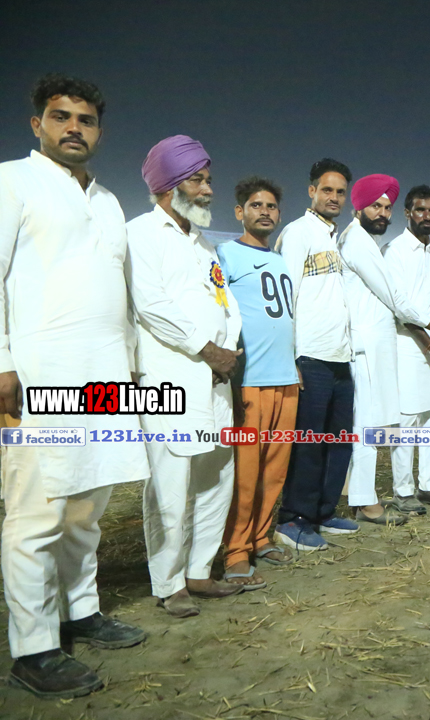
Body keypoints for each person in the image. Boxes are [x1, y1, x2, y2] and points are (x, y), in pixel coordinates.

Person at [0, 74, 149, 698]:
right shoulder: (12, 181)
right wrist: (2, 362)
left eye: (85, 120)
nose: (73, 128)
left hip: (106, 376)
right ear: (37, 124)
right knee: (37, 512)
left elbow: (122, 292)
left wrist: (132, 366)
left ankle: (80, 611)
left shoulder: (109, 201)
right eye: (60, 117)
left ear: (99, 132)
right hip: (39, 375)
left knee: (88, 505)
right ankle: (33, 649)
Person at [128, 135, 243, 616]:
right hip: (169, 379)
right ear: (168, 186)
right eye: (197, 180)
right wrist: (208, 350)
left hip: (215, 379)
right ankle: (168, 582)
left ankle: (200, 571)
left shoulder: (203, 243)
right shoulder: (139, 233)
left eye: (208, 180)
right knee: (170, 484)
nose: (208, 190)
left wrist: (227, 349)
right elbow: (151, 305)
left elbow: (225, 301)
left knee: (218, 476)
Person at [339, 175, 430, 521]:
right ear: (359, 206)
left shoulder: (365, 240)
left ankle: (362, 497)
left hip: (376, 345)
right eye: (375, 206)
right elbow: (393, 296)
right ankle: (366, 503)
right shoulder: (358, 242)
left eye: (386, 207)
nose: (382, 213)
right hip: (367, 346)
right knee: (369, 428)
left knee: (372, 427)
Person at [217, 177, 300, 589]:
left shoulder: (281, 259)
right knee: (245, 473)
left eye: (271, 206)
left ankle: (260, 537)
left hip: (286, 378)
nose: (264, 211)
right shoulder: (225, 255)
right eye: (256, 205)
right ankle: (235, 551)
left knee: (274, 471)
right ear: (240, 212)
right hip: (250, 380)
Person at [274, 159, 358, 550]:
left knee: (338, 441)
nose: (334, 197)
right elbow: (285, 296)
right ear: (312, 191)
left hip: (340, 356)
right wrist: (289, 356)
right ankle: (294, 519)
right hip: (310, 355)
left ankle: (323, 511)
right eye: (327, 190)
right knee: (307, 443)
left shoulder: (333, 238)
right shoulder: (297, 233)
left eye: (340, 192)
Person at [382, 185, 430, 510]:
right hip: (406, 344)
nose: (426, 216)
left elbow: (423, 299)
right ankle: (403, 492)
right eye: (420, 210)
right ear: (407, 213)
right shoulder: (395, 250)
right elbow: (399, 305)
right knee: (406, 421)